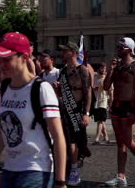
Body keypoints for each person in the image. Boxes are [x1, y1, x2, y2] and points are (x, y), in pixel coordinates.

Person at [0, 32, 67, 188]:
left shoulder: (41, 89)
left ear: (24, 57)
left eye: (7, 59)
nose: (2, 65)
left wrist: (60, 181)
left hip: (36, 170)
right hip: (9, 169)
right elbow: (2, 132)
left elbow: (58, 136)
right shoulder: (4, 88)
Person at [103, 37, 135, 186]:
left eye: (121, 47)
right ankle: (121, 176)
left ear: (129, 49)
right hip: (116, 107)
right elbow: (106, 87)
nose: (118, 49)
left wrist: (134, 111)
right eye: (118, 47)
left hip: (128, 107)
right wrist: (110, 70)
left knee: (127, 141)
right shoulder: (117, 66)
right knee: (120, 143)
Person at [54, 41, 91, 186]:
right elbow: (61, 94)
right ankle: (68, 167)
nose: (62, 54)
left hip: (77, 110)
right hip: (64, 110)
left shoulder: (82, 70)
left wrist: (86, 113)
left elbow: (88, 93)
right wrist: (57, 88)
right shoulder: (62, 71)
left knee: (74, 141)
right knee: (64, 140)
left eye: (65, 51)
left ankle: (75, 170)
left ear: (74, 53)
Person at [92, 63, 112, 144]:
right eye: (102, 68)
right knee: (101, 121)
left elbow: (111, 92)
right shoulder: (94, 78)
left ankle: (97, 139)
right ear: (98, 69)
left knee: (100, 121)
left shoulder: (107, 79)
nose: (104, 70)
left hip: (103, 101)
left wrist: (111, 102)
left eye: (104, 68)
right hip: (96, 102)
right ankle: (106, 138)